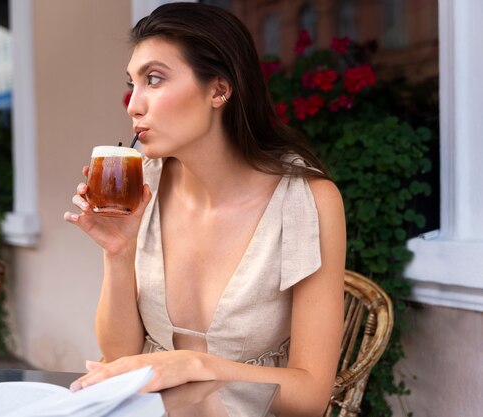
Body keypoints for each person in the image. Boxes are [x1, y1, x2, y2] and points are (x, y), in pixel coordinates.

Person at [64, 3, 346, 416]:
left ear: (219, 89)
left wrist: (195, 366)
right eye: (133, 83)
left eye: (154, 80)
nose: (133, 105)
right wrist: (118, 252)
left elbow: (310, 396)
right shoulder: (144, 185)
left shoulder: (306, 202)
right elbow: (119, 353)